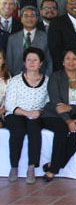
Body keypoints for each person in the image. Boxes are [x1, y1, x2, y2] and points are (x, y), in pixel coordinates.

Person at [41, 50, 76, 181]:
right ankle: (53, 170)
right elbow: (56, 101)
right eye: (67, 58)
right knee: (62, 130)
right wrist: (68, 121)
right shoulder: (55, 77)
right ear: (62, 62)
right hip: (54, 114)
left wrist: (71, 109)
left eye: (74, 59)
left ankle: (55, 165)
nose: (71, 61)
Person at [4, 47, 48, 183]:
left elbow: (49, 102)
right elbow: (9, 105)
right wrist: (26, 112)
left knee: (35, 131)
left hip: (36, 115)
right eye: (29, 60)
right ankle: (14, 166)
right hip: (16, 113)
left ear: (41, 63)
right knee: (18, 131)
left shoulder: (47, 81)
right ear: (24, 62)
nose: (32, 62)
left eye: (35, 60)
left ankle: (31, 167)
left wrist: (38, 112)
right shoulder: (16, 80)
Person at [6, 5, 52, 76]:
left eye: (32, 16)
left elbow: (50, 60)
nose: (29, 19)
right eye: (26, 16)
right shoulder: (12, 38)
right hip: (17, 78)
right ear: (21, 19)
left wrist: (46, 77)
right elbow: (9, 61)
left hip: (39, 78)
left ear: (37, 18)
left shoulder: (46, 37)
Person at [48, 0, 76, 73]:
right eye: (72, 3)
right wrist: (63, 71)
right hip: (65, 71)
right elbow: (55, 50)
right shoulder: (56, 23)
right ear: (66, 6)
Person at [0, 49, 9, 127]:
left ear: (3, 61)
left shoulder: (8, 77)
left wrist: (1, 111)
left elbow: (11, 99)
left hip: (3, 112)